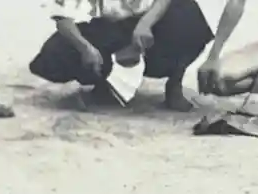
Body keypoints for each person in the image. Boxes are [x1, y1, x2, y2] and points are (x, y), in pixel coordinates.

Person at [29, 0, 214, 111]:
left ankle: (175, 83)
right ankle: (105, 86)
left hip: (154, 23)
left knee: (187, 13)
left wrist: (145, 24)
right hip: (109, 27)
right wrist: (86, 48)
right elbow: (62, 17)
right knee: (56, 53)